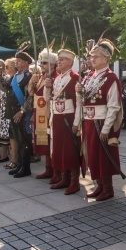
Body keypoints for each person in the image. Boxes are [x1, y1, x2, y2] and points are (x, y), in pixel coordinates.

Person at [75, 39, 123, 201]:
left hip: (101, 122)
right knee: (92, 155)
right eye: (91, 56)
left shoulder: (111, 78)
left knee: (103, 156)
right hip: (88, 121)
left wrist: (106, 128)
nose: (92, 59)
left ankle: (108, 188)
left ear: (106, 58)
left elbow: (114, 105)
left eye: (96, 56)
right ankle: (99, 185)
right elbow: (82, 102)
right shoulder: (88, 76)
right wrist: (79, 92)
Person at [44, 48, 80, 195]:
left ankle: (74, 181)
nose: (58, 62)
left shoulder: (75, 77)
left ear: (70, 62)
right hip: (57, 118)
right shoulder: (57, 78)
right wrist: (47, 86)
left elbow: (79, 103)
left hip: (68, 119)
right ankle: (64, 178)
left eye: (62, 60)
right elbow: (48, 99)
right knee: (59, 149)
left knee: (70, 151)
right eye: (58, 59)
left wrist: (76, 123)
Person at [29, 48, 58, 179]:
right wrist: (32, 84)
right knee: (44, 142)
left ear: (53, 64)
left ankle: (55, 170)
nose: (42, 66)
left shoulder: (55, 77)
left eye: (45, 63)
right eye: (41, 63)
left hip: (49, 112)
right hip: (39, 111)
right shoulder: (40, 77)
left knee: (50, 142)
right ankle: (48, 168)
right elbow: (32, 93)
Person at [7, 51, 33, 178]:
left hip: (23, 112)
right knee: (17, 138)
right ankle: (19, 164)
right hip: (13, 111)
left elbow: (30, 97)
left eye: (19, 60)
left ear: (26, 62)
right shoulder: (14, 76)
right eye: (16, 60)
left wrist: (22, 111)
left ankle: (25, 167)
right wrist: (1, 75)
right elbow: (6, 88)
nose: (16, 62)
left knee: (24, 140)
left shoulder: (30, 76)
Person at [3, 58, 19, 169]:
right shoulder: (9, 79)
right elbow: (3, 88)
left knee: (16, 136)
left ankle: (16, 160)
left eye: (6, 67)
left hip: (16, 109)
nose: (5, 69)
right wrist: (0, 76)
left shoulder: (16, 78)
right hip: (9, 108)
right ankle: (13, 159)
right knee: (12, 136)